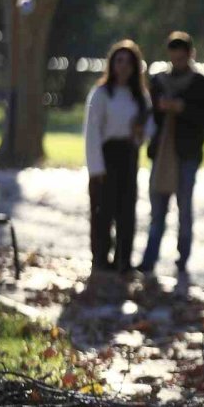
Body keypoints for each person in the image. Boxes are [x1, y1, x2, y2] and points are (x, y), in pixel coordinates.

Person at [137, 31, 204, 292]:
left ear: (189, 55)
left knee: (184, 208)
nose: (177, 60)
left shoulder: (202, 85)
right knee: (157, 209)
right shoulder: (159, 82)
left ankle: (182, 259)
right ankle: (149, 259)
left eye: (182, 55)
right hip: (162, 153)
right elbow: (148, 114)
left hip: (187, 154)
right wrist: (161, 110)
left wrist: (184, 109)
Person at [83, 39, 149, 275]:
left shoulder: (139, 96)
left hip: (128, 155)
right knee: (103, 211)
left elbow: (148, 127)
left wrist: (140, 134)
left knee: (126, 211)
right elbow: (91, 132)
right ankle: (101, 259)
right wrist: (96, 168)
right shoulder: (101, 94)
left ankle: (123, 260)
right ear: (112, 64)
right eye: (119, 61)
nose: (123, 66)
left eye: (128, 62)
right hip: (106, 155)